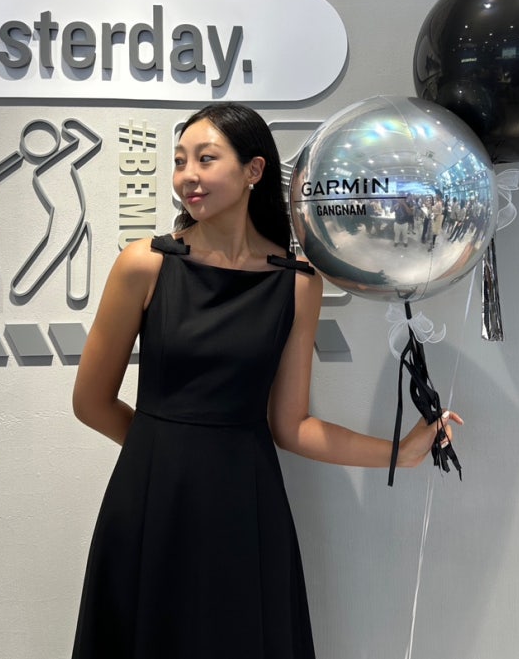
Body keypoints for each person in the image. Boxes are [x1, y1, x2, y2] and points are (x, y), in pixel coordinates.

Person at [70, 103, 462, 659]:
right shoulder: (145, 264)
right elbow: (91, 402)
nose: (188, 176)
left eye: (206, 159)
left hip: (245, 507)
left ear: (253, 170)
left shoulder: (297, 283)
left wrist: (402, 452)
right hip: (152, 502)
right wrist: (167, 454)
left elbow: (292, 425)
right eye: (180, 161)